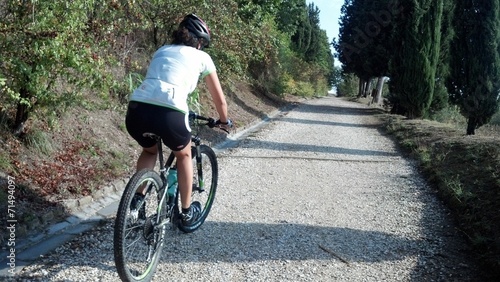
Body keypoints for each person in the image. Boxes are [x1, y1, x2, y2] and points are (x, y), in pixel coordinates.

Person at [125, 14, 232, 226]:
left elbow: (160, 83)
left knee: (149, 150)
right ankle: (185, 212)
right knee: (183, 155)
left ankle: (136, 205)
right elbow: (220, 100)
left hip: (137, 108)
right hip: (171, 110)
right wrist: (224, 120)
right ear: (199, 41)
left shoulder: (161, 50)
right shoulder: (203, 58)